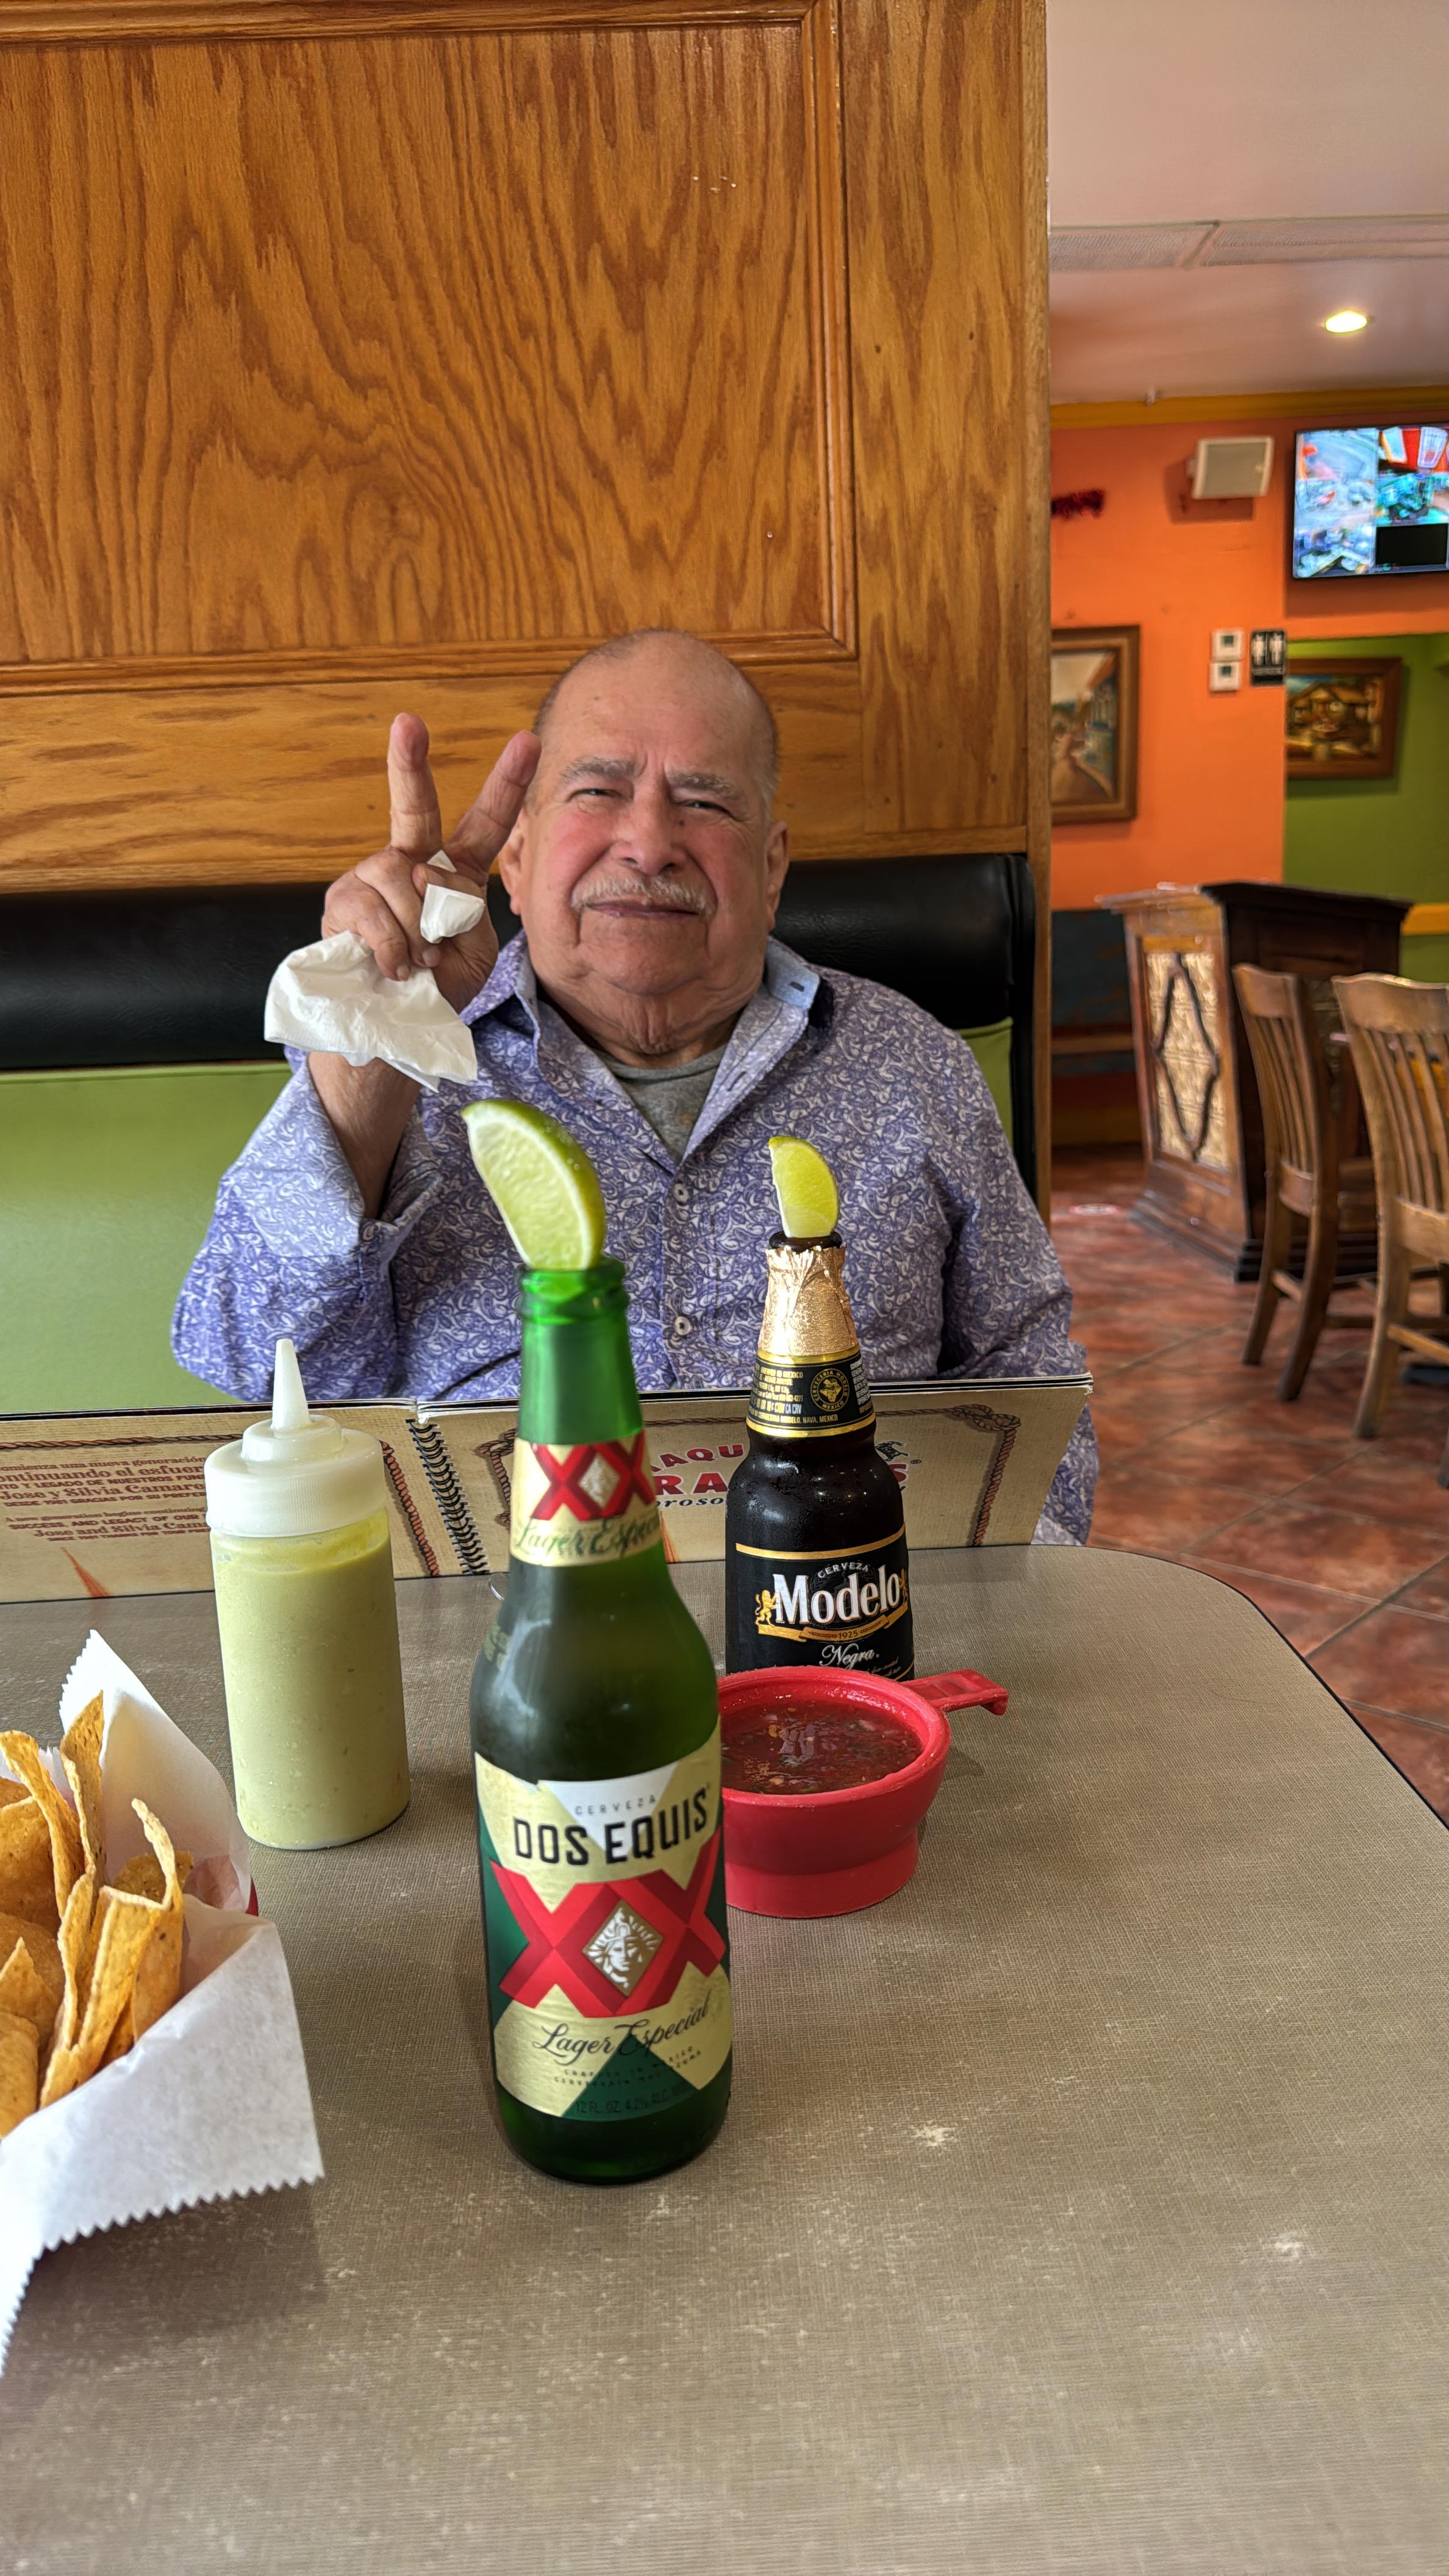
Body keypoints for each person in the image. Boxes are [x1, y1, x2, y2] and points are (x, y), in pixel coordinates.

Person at [174, 629, 1095, 1540]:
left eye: (704, 802)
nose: (650, 842)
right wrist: (374, 1059)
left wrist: (1001, 1611)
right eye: (598, 791)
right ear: (518, 857)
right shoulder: (392, 1057)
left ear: (771, 869)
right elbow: (251, 1367)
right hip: (499, 1633)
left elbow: (1036, 1384)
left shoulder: (916, 1063)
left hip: (857, 1615)